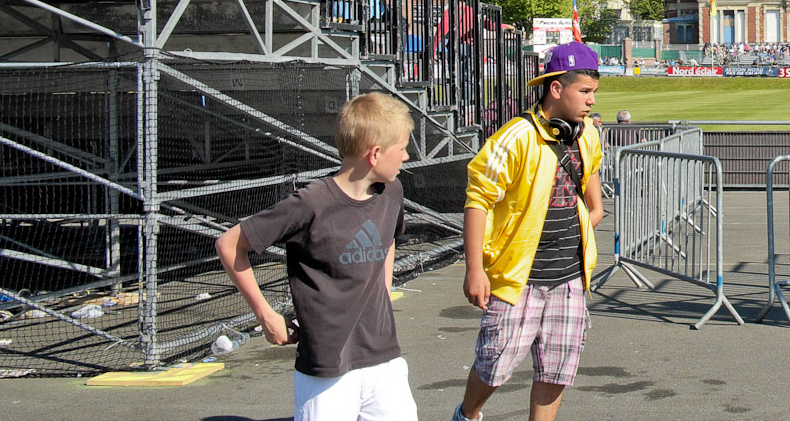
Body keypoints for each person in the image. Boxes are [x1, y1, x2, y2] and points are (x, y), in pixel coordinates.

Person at [213, 92, 418, 421]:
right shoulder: (310, 203)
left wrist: (383, 288)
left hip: (384, 360)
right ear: (375, 154)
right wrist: (266, 316)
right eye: (403, 148)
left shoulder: (392, 192)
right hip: (326, 367)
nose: (407, 156)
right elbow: (229, 245)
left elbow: (388, 239)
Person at [456, 41, 605, 421]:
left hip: (570, 275)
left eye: (594, 93)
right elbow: (478, 200)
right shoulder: (515, 137)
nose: (590, 101)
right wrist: (475, 270)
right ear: (556, 89)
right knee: (495, 363)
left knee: (558, 368)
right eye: (583, 91)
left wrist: (592, 215)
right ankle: (468, 413)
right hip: (518, 277)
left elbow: (592, 186)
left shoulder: (587, 134)